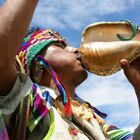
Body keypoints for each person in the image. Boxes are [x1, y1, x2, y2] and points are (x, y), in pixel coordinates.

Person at [0, 0, 140, 140]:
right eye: (60, 45)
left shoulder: (98, 124)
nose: (74, 49)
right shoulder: (28, 103)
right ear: (36, 64)